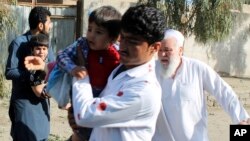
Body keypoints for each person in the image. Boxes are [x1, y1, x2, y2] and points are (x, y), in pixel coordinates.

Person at [24, 4, 166, 141]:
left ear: (155, 47)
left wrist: (81, 72)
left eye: (133, 42)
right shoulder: (121, 67)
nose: (123, 46)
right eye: (123, 38)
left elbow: (85, 114)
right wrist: (45, 66)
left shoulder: (144, 90)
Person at [153, 29, 250, 141]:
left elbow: (224, 92)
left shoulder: (197, 69)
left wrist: (242, 120)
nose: (162, 54)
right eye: (159, 50)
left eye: (167, 50)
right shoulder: (151, 71)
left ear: (180, 50)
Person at [55, 5, 121, 141]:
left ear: (112, 38)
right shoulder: (82, 45)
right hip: (82, 98)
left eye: (98, 32)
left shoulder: (118, 54)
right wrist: (73, 68)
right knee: (81, 130)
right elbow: (61, 56)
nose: (91, 35)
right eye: (90, 29)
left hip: (103, 101)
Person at [5, 7, 54, 141]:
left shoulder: (46, 43)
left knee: (42, 136)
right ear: (40, 24)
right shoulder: (19, 43)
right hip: (24, 104)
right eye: (49, 22)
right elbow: (10, 72)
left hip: (42, 103)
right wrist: (32, 76)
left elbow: (52, 68)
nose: (51, 25)